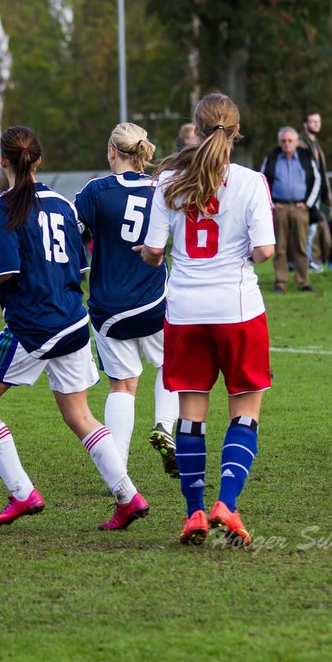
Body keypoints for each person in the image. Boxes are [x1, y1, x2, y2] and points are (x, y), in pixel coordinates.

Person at [0, 126, 149, 531]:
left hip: (33, 326)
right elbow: (78, 266)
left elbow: (5, 269)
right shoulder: (63, 204)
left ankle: (22, 492)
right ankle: (128, 496)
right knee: (80, 415)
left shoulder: (2, 206)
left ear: (2, 162)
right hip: (73, 320)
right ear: (39, 161)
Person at [138, 93, 275, 548]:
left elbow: (155, 253)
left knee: (191, 418)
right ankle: (227, 505)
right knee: (245, 411)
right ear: (236, 133)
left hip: (185, 312)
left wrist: (148, 252)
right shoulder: (253, 181)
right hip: (238, 312)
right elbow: (265, 252)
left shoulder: (168, 182)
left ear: (195, 128)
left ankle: (194, 513)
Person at [73, 122, 178, 478]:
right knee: (171, 366)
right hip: (153, 301)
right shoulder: (162, 188)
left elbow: (70, 232)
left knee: (123, 384)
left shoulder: (97, 190)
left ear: (111, 152)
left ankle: (117, 470)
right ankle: (164, 424)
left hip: (109, 306)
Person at [260, 126, 319, 292]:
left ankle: (303, 282)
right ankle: (281, 282)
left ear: (296, 142)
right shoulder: (272, 157)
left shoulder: (305, 157)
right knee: (280, 247)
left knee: (301, 246)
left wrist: (308, 203)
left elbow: (317, 180)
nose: (286, 144)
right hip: (279, 208)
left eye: (290, 141)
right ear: (279, 142)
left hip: (301, 207)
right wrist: (270, 204)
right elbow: (262, 181)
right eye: (283, 141)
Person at [298, 111, 332, 271]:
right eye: (313, 121)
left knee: (313, 228)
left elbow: (321, 172)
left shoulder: (315, 143)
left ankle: (309, 260)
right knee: (309, 229)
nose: (317, 124)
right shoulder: (300, 144)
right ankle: (307, 261)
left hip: (316, 193)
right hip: (307, 193)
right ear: (305, 124)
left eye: (319, 121)